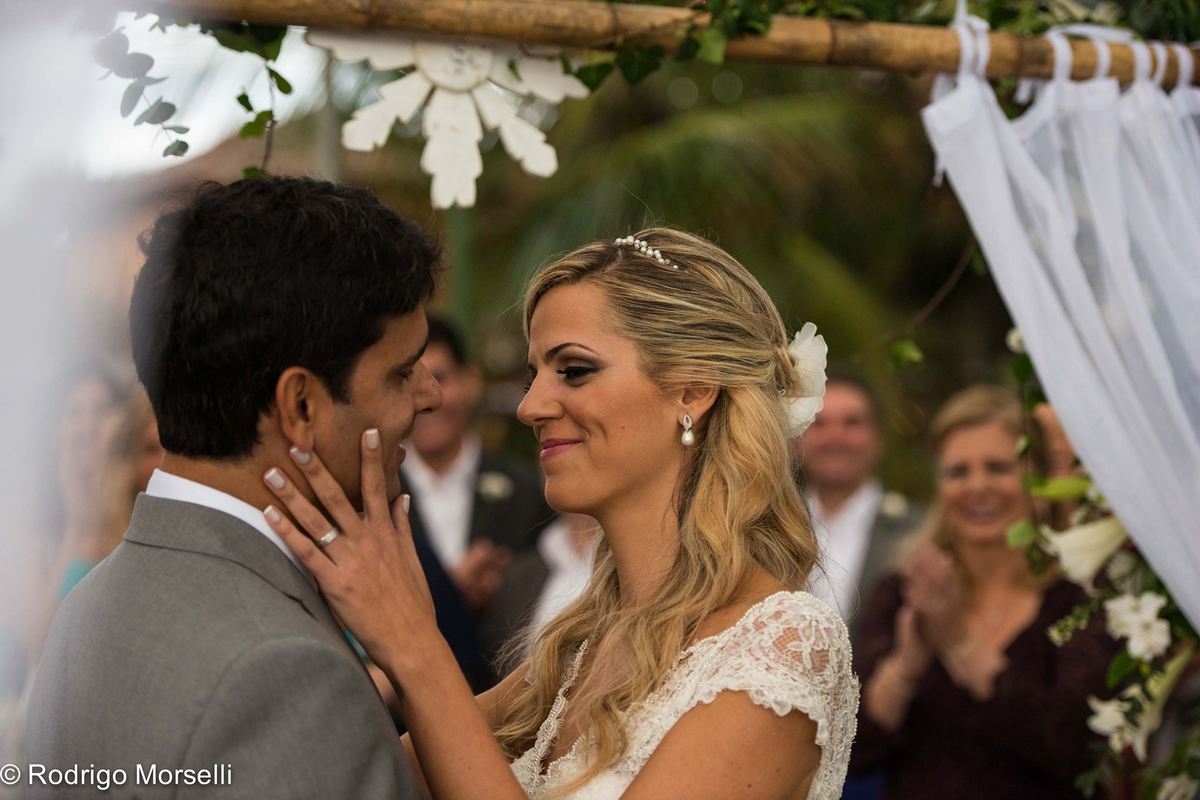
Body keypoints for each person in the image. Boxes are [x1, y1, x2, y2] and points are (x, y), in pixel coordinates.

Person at [261, 228, 859, 799]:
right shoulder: (578, 647)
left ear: (692, 390)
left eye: (573, 370)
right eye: (534, 374)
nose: (530, 406)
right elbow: (379, 780)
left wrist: (416, 646)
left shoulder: (780, 646)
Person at [26, 177, 437, 798]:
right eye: (403, 373)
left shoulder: (89, 602)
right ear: (300, 405)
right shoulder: (284, 675)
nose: (430, 395)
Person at [849, 385, 1117, 800]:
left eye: (998, 467)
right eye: (959, 471)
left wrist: (960, 642)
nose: (977, 486)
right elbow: (852, 753)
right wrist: (906, 664)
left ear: (1038, 479)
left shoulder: (1081, 600)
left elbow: (1077, 752)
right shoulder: (903, 591)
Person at [401, 315, 555, 687]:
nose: (427, 399)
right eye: (405, 381)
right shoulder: (370, 493)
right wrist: (447, 592)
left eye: (440, 377)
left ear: (470, 381)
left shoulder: (531, 488)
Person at [798, 372, 924, 642]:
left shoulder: (918, 531)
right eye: (819, 424)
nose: (835, 437)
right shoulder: (766, 528)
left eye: (852, 423)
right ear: (799, 439)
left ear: (878, 438)